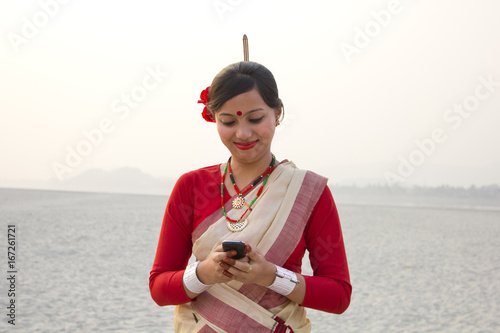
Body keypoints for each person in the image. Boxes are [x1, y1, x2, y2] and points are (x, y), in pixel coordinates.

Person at [149, 60, 351, 332]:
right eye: (228, 121)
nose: (243, 133)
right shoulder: (191, 187)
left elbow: (338, 296)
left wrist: (270, 276)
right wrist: (205, 273)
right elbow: (160, 289)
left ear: (277, 113)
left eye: (256, 119)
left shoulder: (308, 192)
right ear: (213, 118)